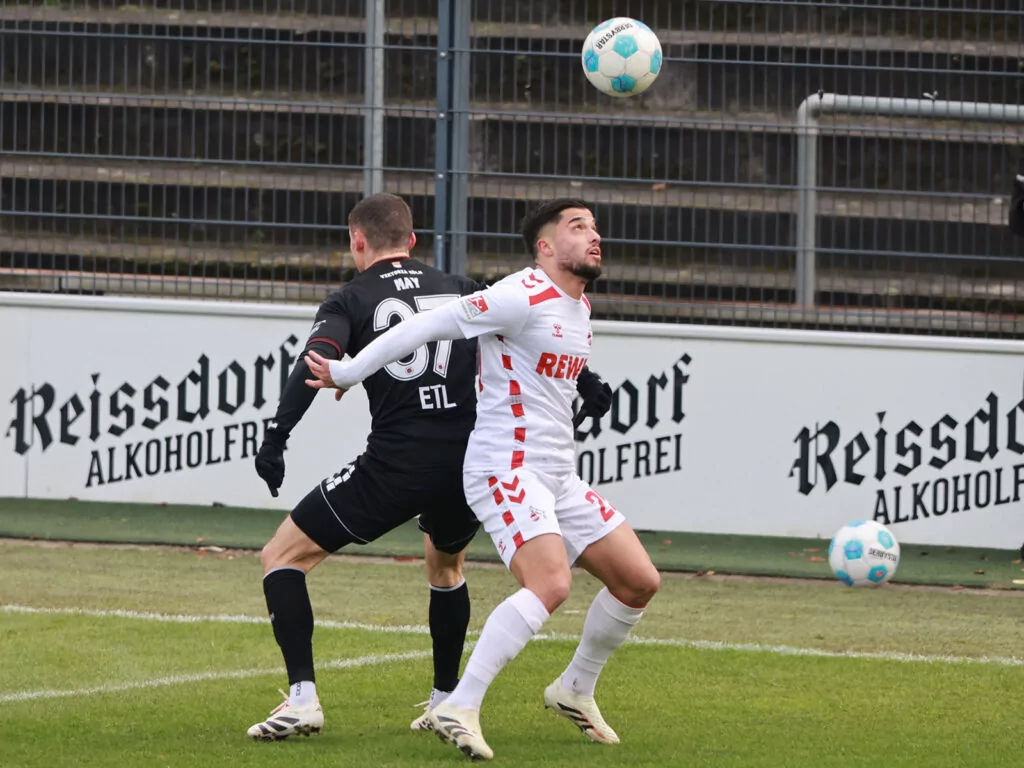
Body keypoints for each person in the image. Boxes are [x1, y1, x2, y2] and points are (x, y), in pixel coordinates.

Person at [248, 193, 614, 741]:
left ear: (357, 241)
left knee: (282, 556)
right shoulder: (463, 286)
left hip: (395, 463)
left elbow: (317, 363)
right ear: (413, 240)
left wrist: (277, 436)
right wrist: (588, 381)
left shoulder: (350, 298)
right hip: (466, 461)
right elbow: (533, 336)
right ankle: (444, 697)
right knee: (445, 568)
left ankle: (302, 700)